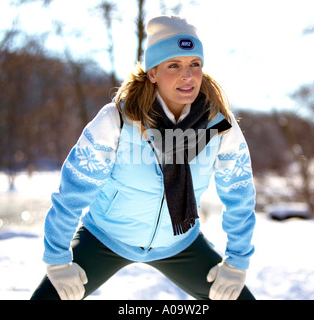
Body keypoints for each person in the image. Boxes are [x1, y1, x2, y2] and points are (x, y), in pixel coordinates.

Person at [31, 15, 256, 300]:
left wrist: (237, 262)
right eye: (173, 65)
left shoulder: (219, 127)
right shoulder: (118, 120)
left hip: (180, 243)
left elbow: (239, 195)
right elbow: (73, 191)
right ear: (152, 73)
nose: (187, 76)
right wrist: (57, 258)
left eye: (194, 64)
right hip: (105, 237)